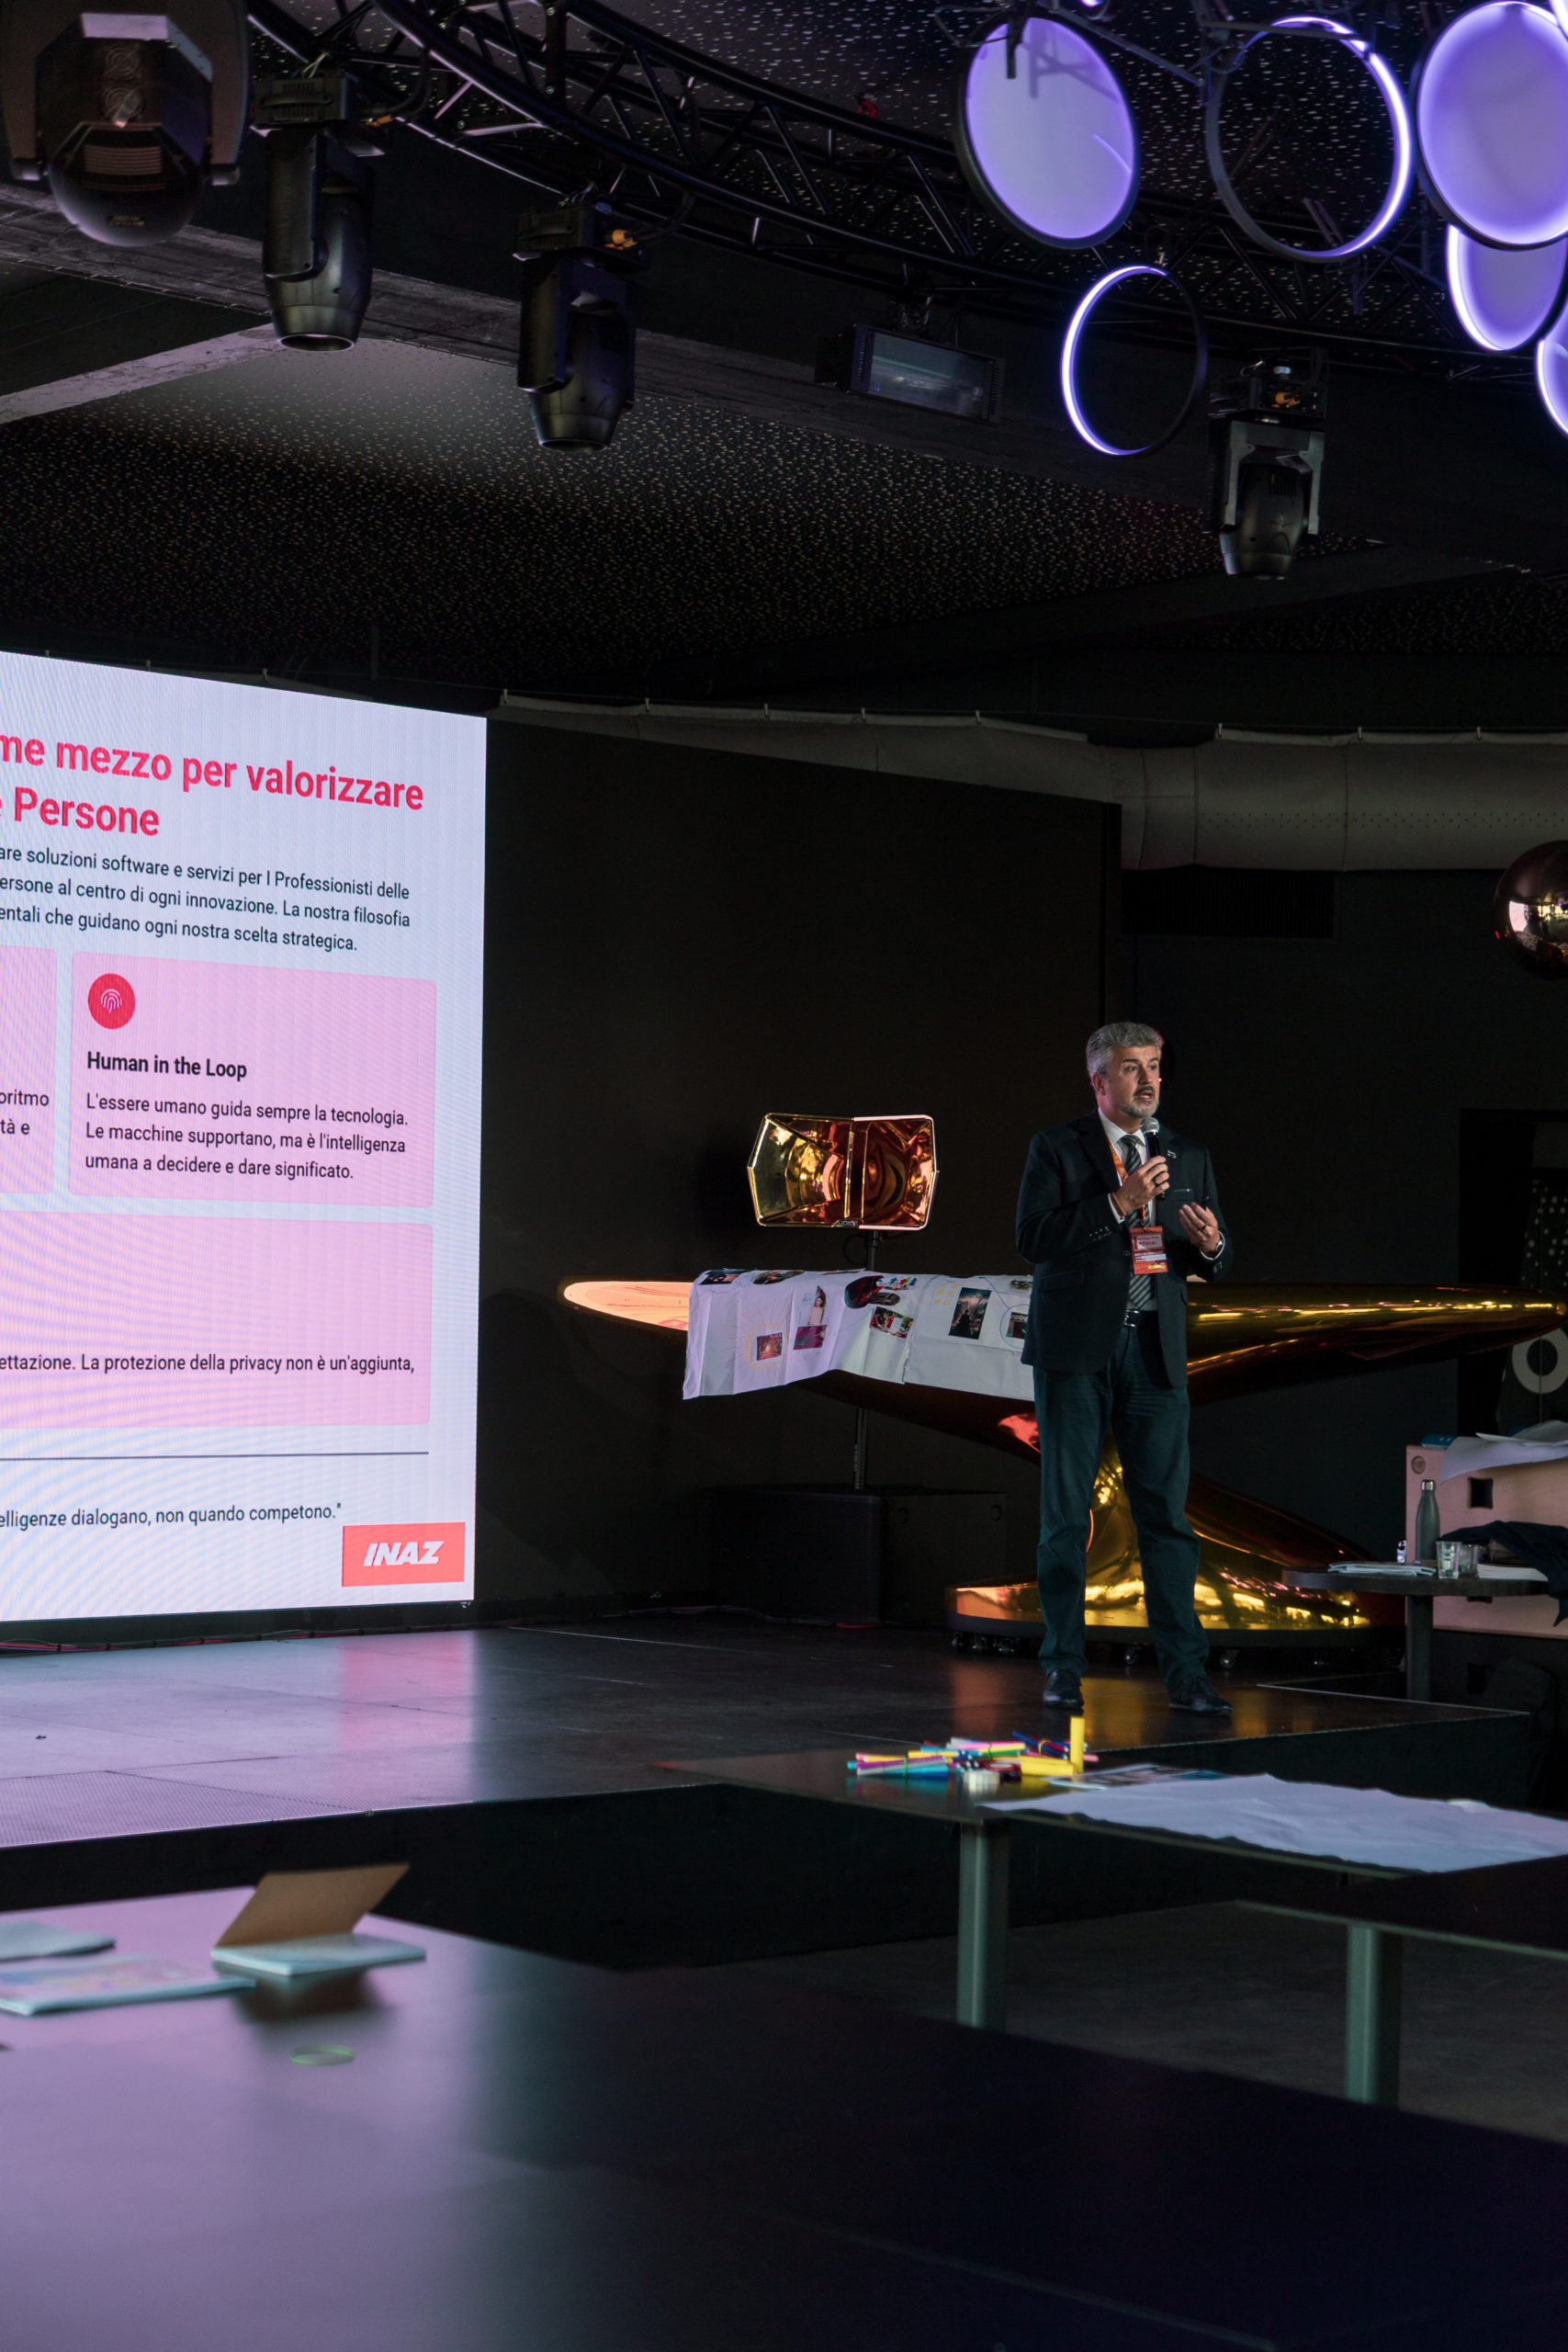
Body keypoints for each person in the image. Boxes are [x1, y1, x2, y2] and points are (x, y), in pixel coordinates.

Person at [1015, 1022, 1232, 1715]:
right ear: (1099, 1081)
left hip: (1154, 1350)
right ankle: (1062, 1668)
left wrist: (1212, 1245)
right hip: (1078, 1351)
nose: (1148, 1080)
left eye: (1155, 1066)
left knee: (1166, 1519)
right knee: (1064, 1518)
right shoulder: (1056, 1147)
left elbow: (1211, 1255)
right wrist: (1118, 1203)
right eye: (1132, 1068)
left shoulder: (1187, 1153)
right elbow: (1033, 1239)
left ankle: (1187, 1677)